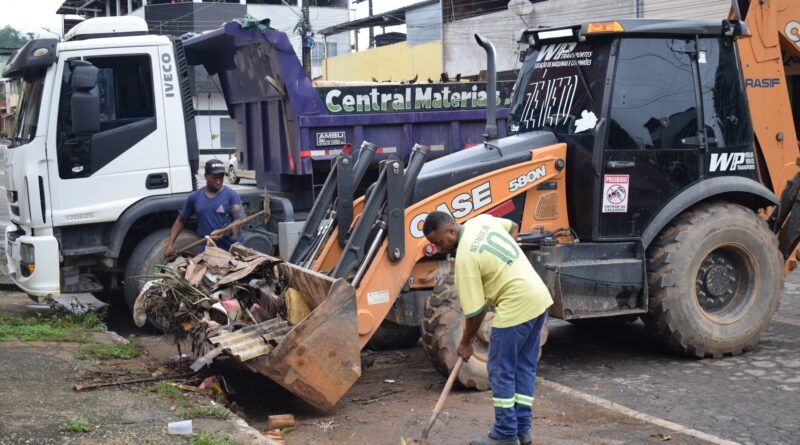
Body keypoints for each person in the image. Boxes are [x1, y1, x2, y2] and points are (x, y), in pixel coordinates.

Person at [423, 211, 553, 445]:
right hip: (538, 297)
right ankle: (522, 431)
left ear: (451, 231)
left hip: (516, 306)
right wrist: (502, 268)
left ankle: (505, 434)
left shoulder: (465, 258)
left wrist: (464, 344)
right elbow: (512, 227)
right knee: (523, 367)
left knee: (500, 370)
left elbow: (475, 313)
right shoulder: (480, 221)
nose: (439, 248)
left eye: (439, 242)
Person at [165, 159, 245, 258]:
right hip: (207, 251)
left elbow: (241, 221)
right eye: (214, 177)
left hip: (231, 251)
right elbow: (180, 221)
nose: (218, 181)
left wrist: (223, 231)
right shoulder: (195, 197)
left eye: (221, 177)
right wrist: (170, 245)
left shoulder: (231, 195)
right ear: (206, 176)